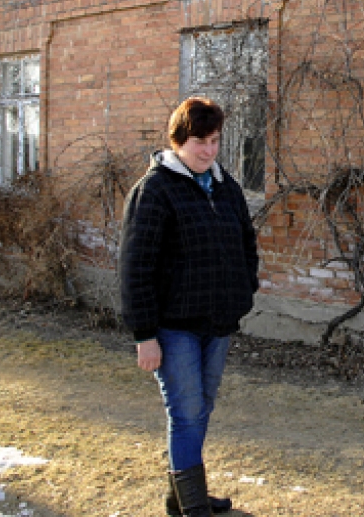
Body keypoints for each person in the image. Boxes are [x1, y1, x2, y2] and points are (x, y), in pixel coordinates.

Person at [120, 97, 259, 517]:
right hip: (173, 326)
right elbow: (135, 266)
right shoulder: (155, 190)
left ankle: (179, 496)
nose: (209, 150)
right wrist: (144, 334)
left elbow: (246, 245)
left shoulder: (225, 186)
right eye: (200, 141)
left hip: (217, 322)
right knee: (186, 413)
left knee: (201, 409)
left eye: (214, 140)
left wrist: (244, 290)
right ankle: (194, 507)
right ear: (179, 140)